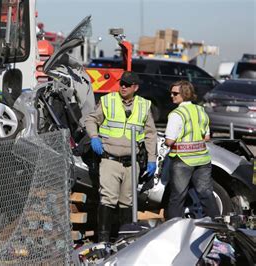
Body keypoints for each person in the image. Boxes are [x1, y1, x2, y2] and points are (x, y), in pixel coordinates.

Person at [85, 71, 157, 242]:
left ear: (135, 87)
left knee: (127, 201)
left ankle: (124, 241)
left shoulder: (144, 105)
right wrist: (94, 137)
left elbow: (150, 134)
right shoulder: (108, 101)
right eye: (121, 83)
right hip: (110, 159)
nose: (123, 87)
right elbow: (91, 120)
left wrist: (152, 159)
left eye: (127, 84)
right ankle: (103, 240)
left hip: (132, 162)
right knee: (108, 199)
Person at [164, 80, 219, 219]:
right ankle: (218, 226)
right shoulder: (201, 111)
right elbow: (206, 137)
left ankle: (173, 230)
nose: (171, 95)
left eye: (175, 93)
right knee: (206, 194)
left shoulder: (176, 114)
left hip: (182, 160)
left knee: (177, 197)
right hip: (202, 159)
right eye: (171, 93)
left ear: (184, 94)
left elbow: (169, 141)